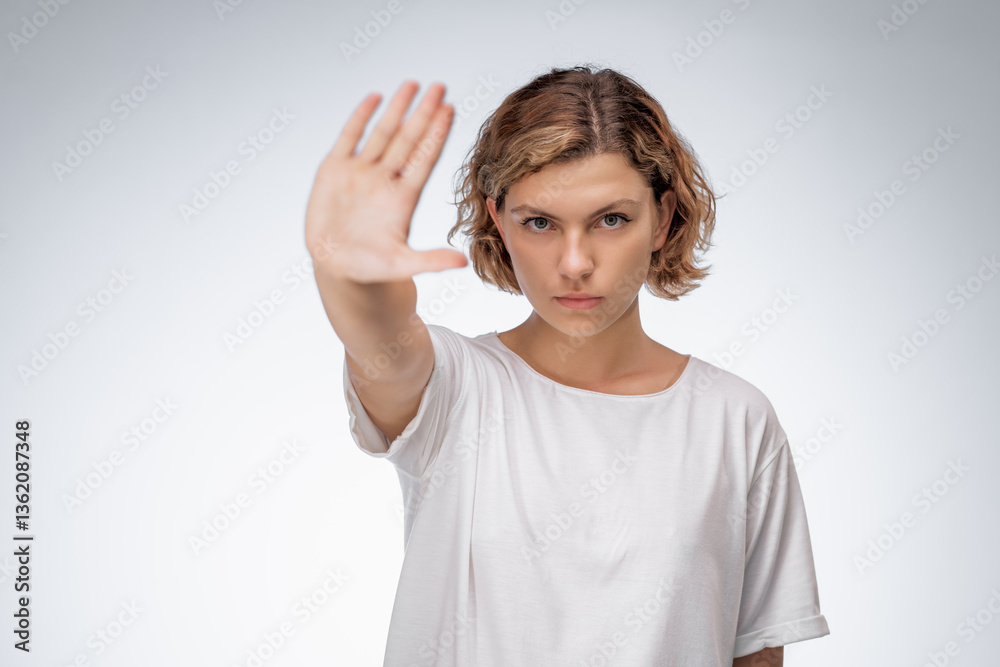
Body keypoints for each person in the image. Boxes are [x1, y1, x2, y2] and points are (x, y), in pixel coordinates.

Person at [305, 65, 830, 666]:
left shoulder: (735, 420)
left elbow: (755, 652)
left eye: (611, 219)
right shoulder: (454, 389)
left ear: (662, 218)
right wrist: (347, 275)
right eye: (540, 223)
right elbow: (380, 336)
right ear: (498, 220)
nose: (575, 262)